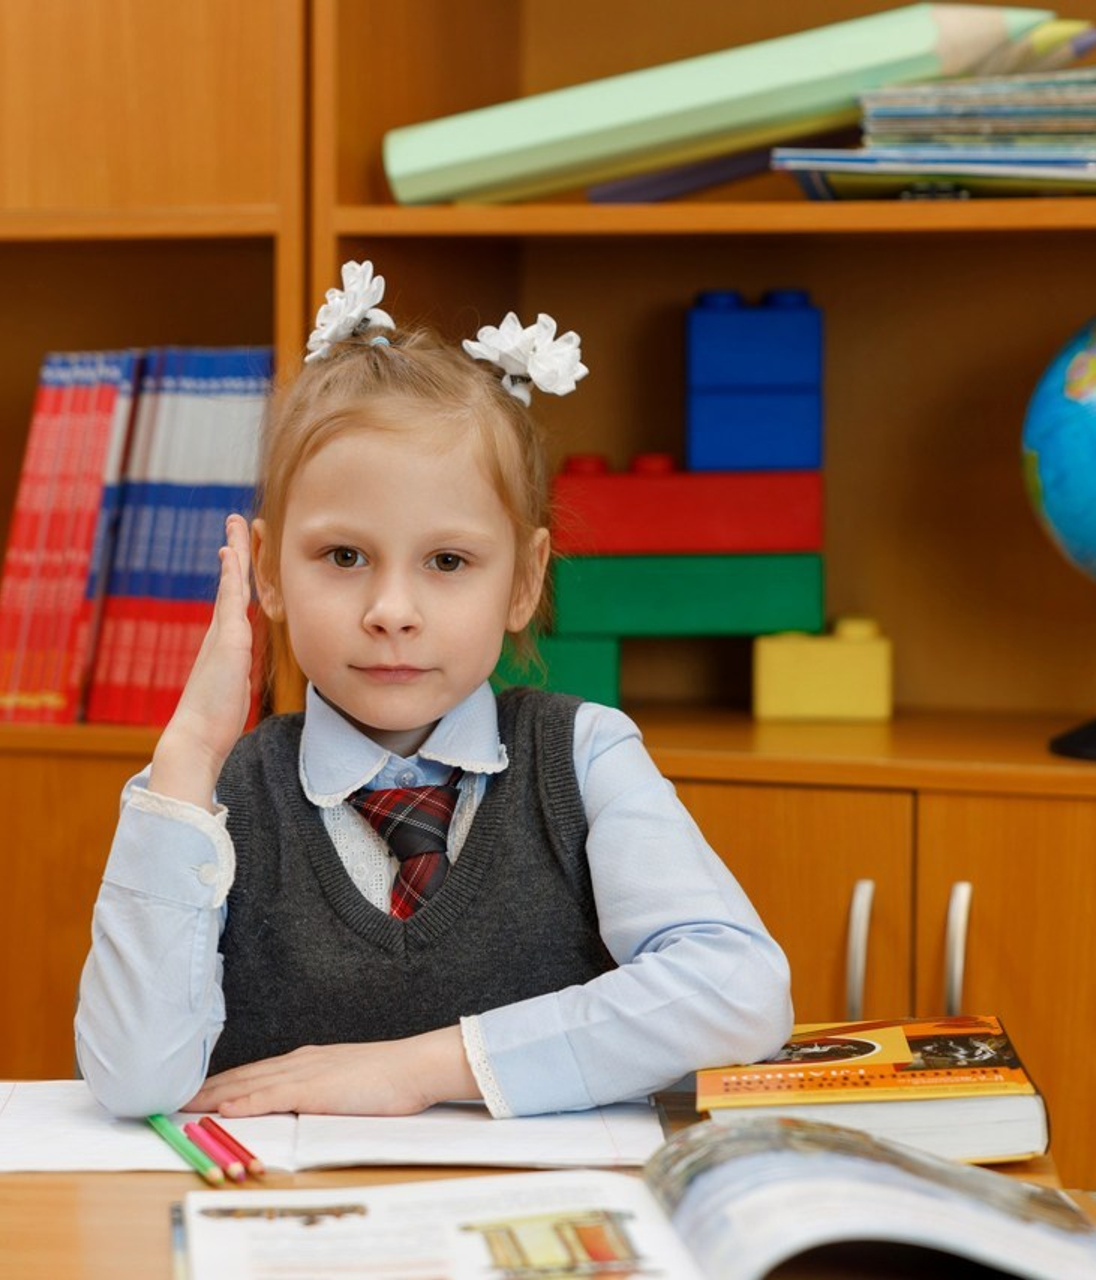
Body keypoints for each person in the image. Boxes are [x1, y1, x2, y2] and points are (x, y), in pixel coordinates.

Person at [75, 261, 792, 1121]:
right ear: (265, 570)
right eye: (344, 557)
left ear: (524, 580)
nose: (391, 612)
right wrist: (188, 756)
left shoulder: (587, 755)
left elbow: (739, 990)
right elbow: (133, 1082)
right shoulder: (213, 797)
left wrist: (422, 1068)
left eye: (447, 562)